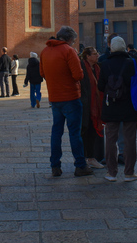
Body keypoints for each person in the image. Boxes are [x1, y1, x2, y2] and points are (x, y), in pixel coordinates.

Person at [40, 26, 93, 177]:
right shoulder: (69, 51)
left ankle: (55, 166)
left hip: (54, 98)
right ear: (69, 39)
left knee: (56, 132)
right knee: (75, 133)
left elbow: (42, 73)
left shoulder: (45, 51)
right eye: (74, 40)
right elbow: (78, 75)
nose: (73, 43)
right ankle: (80, 165)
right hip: (71, 97)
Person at [97, 36, 137, 182]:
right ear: (124, 47)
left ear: (111, 48)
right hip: (130, 107)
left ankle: (111, 173)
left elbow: (100, 86)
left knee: (111, 140)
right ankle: (129, 172)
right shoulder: (133, 63)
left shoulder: (104, 64)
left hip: (111, 107)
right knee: (130, 140)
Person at [79, 47, 104, 169]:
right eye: (94, 54)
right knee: (85, 131)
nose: (97, 55)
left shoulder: (97, 68)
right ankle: (84, 158)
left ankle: (91, 157)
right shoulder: (82, 68)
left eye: (97, 53)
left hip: (95, 104)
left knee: (93, 131)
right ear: (87, 56)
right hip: (85, 104)